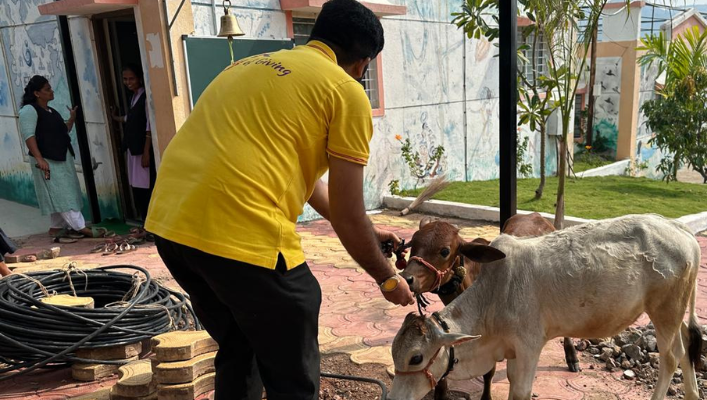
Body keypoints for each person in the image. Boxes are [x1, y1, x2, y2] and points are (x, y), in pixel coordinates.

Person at [144, 1, 414, 399]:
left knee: (241, 344)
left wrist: (372, 233)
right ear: (364, 63)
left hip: (172, 230)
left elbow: (315, 188)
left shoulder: (246, 67)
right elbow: (347, 211)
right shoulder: (345, 91)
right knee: (296, 328)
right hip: (242, 238)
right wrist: (387, 278)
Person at [19, 76, 99, 239]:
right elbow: (29, 136)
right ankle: (80, 227)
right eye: (47, 89)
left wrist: (72, 119)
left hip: (61, 158)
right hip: (48, 159)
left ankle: (56, 227)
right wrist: (40, 159)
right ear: (36, 93)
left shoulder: (51, 111)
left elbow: (63, 131)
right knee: (63, 194)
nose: (51, 91)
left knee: (63, 191)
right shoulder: (29, 110)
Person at [112, 64, 155, 224]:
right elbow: (131, 118)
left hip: (141, 150)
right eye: (125, 79)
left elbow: (148, 126)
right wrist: (116, 118)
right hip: (133, 149)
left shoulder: (145, 98)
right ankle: (145, 220)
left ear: (139, 79)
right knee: (137, 186)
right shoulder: (133, 98)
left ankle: (149, 221)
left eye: (131, 78)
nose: (128, 82)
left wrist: (146, 152)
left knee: (145, 187)